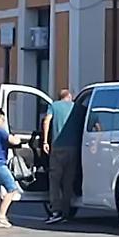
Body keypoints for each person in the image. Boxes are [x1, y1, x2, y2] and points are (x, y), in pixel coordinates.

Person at [42, 88, 80, 225]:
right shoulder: (76, 107)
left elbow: (46, 121)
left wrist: (45, 141)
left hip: (58, 147)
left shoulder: (53, 106)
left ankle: (56, 211)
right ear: (69, 96)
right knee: (68, 181)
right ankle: (66, 212)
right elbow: (94, 122)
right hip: (74, 148)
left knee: (55, 180)